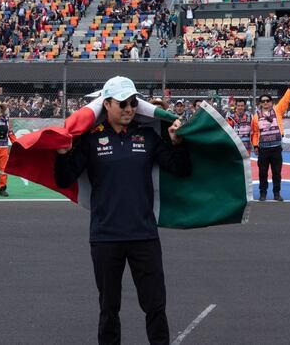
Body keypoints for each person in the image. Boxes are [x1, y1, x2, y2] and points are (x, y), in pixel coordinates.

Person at [53, 76, 191, 345]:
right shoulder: (91, 141)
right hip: (105, 237)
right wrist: (62, 155)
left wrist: (178, 144)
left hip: (144, 236)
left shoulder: (149, 136)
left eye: (132, 102)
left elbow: (181, 170)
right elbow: (64, 179)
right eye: (123, 103)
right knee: (108, 308)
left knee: (155, 307)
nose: (129, 108)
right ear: (107, 104)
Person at [250, 78, 290, 201]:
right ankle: (263, 193)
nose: (265, 103)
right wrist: (255, 146)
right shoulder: (256, 117)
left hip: (276, 148)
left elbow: (285, 99)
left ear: (271, 102)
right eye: (263, 101)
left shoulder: (277, 110)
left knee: (277, 172)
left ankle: (277, 193)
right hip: (263, 149)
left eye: (268, 101)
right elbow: (255, 133)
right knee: (262, 172)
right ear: (260, 103)